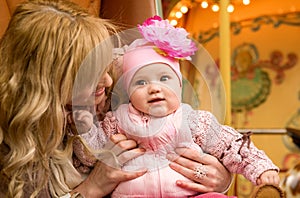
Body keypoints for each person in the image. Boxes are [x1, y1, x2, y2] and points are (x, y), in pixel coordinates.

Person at [0, 1, 232, 197]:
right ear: (46, 78)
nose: (108, 82)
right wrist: (91, 188)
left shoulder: (115, 103)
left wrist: (217, 178)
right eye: (88, 74)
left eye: (105, 67)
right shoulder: (12, 141)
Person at [73, 16, 280, 197]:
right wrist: (84, 127)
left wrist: (261, 169)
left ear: (179, 86)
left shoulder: (194, 121)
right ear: (129, 92)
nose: (154, 88)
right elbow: (91, 154)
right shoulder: (116, 122)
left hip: (189, 194)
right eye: (141, 83)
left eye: (164, 78)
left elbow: (233, 146)